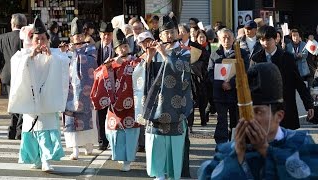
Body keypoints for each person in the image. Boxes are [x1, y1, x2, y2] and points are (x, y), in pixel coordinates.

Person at [198, 62, 318, 180]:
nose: (249, 119)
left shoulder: (301, 143)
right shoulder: (226, 151)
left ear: (279, 116)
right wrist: (236, 154)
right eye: (244, 112)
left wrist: (266, 151)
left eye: (258, 112)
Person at [133, 14, 193, 180]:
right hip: (155, 107)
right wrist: (150, 57)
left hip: (175, 106)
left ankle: (174, 175)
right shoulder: (153, 51)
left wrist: (165, 54)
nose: (169, 35)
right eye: (166, 33)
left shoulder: (184, 52)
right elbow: (139, 75)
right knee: (156, 144)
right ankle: (159, 174)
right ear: (160, 36)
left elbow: (183, 72)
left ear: (177, 34)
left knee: (174, 146)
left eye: (172, 32)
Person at [9, 16, 69, 172]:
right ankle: (35, 159)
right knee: (31, 130)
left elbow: (64, 65)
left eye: (43, 38)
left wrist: (52, 58)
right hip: (31, 99)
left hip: (48, 100)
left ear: (48, 39)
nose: (41, 42)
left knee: (47, 130)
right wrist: (30, 57)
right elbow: (16, 68)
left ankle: (46, 159)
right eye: (37, 39)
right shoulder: (23, 54)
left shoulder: (55, 54)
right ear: (32, 40)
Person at [250, 25, 314, 130]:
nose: (265, 43)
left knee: (285, 141)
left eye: (268, 39)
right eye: (262, 40)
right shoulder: (256, 59)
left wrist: (309, 105)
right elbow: (250, 84)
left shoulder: (287, 58)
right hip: (263, 107)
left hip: (285, 105)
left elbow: (299, 82)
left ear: (275, 39)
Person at [100, 27, 141, 172]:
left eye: (125, 46)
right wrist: (109, 65)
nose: (123, 49)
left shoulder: (135, 61)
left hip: (131, 103)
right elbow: (101, 75)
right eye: (120, 47)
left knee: (130, 132)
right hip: (115, 104)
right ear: (116, 50)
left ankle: (128, 160)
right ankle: (119, 155)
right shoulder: (111, 62)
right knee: (114, 131)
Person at [62, 17, 98, 160]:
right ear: (72, 37)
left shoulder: (90, 48)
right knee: (71, 121)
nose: (78, 38)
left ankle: (89, 145)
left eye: (80, 35)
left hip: (85, 90)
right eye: (75, 36)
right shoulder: (67, 49)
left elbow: (90, 63)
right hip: (70, 91)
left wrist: (75, 53)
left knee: (88, 118)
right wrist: (64, 53)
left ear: (84, 36)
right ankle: (75, 149)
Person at [208, 28, 249, 144]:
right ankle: (221, 144)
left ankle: (235, 142)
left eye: (229, 37)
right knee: (221, 119)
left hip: (235, 92)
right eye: (223, 38)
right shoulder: (215, 54)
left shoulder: (242, 53)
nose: (226, 40)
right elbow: (210, 73)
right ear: (219, 39)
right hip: (219, 93)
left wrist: (231, 84)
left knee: (235, 120)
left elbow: (244, 71)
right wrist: (221, 84)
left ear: (234, 38)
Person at [0, 13, 27, 140]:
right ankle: (18, 131)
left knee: (13, 101)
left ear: (12, 24)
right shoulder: (25, 37)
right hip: (22, 73)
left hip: (7, 73)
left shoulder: (2, 37)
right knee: (22, 102)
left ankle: (12, 130)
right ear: (24, 24)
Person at [94, 21, 114, 150]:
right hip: (99, 84)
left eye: (109, 34)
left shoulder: (117, 47)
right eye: (104, 34)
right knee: (100, 113)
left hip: (114, 84)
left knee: (113, 113)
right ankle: (102, 141)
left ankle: (114, 140)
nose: (106, 37)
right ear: (100, 34)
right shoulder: (94, 47)